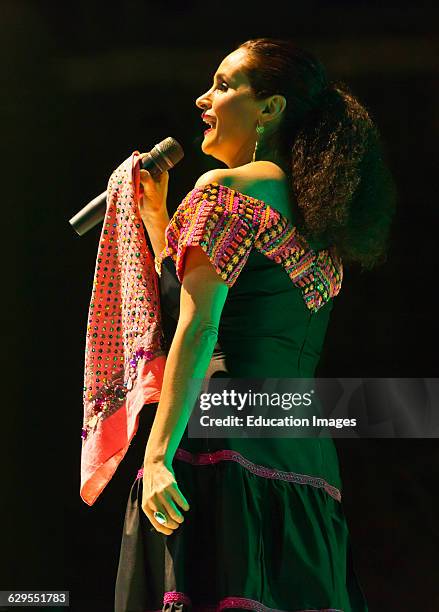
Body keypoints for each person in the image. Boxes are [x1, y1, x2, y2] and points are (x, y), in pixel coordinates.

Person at [114, 37, 396, 612]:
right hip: (303, 457)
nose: (203, 99)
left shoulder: (224, 192)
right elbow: (233, 302)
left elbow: (199, 329)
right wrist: (157, 218)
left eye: (223, 85)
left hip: (222, 446)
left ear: (270, 109)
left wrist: (158, 453)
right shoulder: (319, 221)